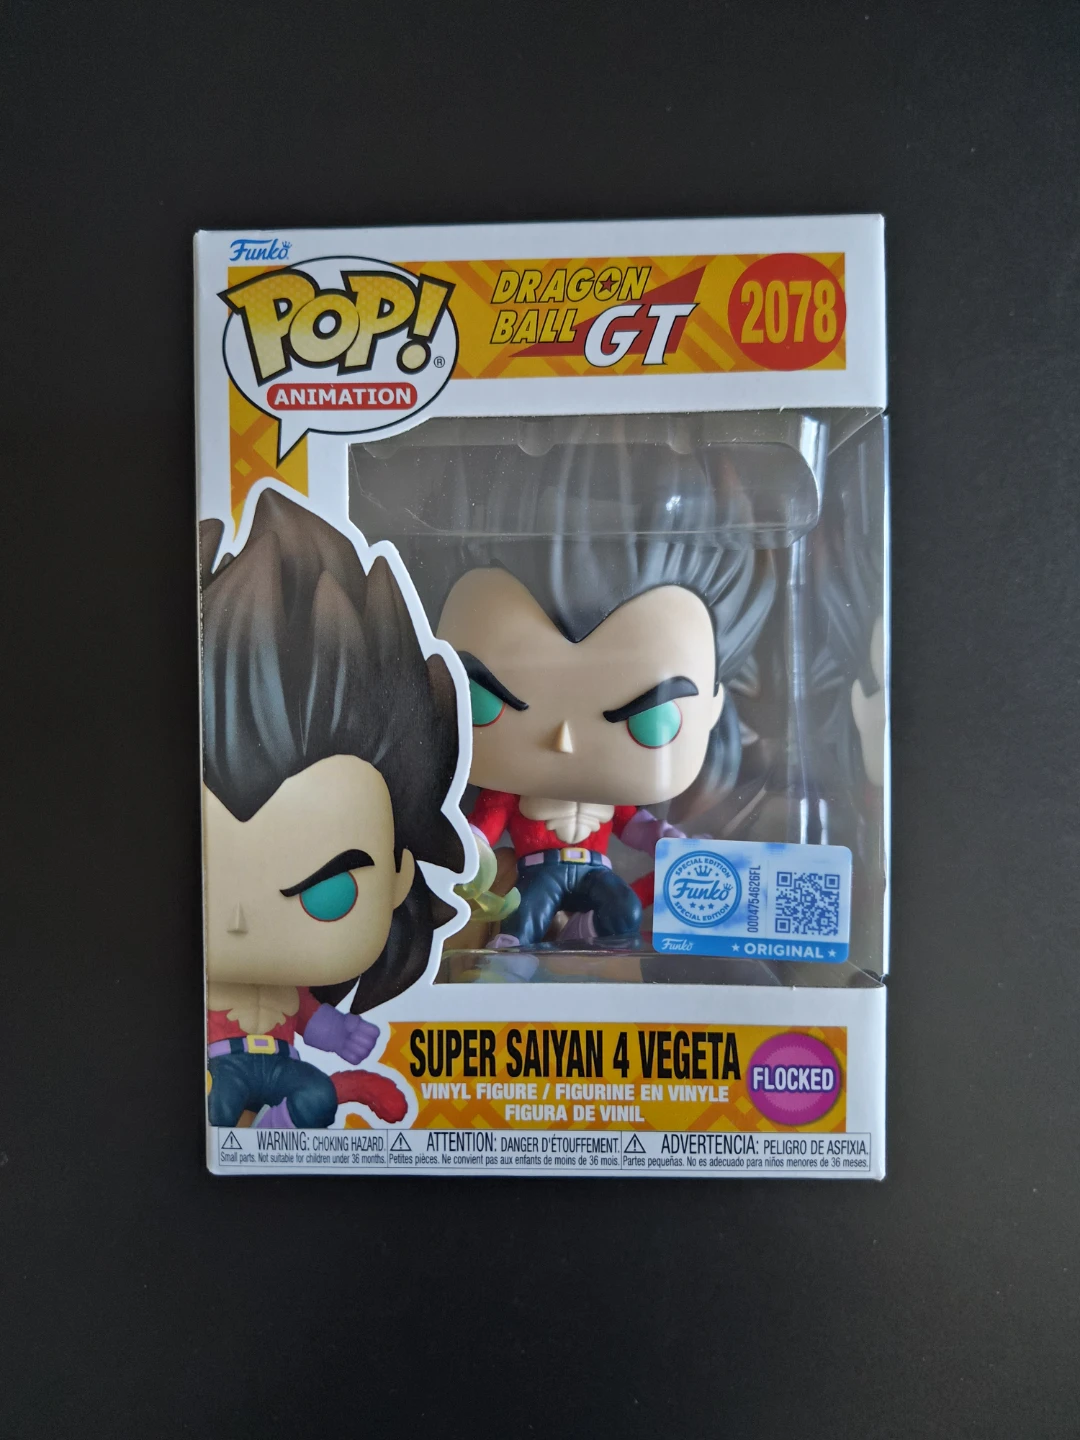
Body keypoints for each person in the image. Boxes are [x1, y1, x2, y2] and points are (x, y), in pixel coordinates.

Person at [200, 488, 466, 1126]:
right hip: (218, 1069)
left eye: (327, 893)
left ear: (401, 873)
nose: (236, 922)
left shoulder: (295, 997)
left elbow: (317, 1023)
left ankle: (285, 1129)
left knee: (314, 1097)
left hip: (284, 1065)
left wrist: (341, 1034)